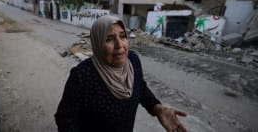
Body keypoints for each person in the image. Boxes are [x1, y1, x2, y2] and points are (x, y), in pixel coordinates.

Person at [55, 15, 187, 132]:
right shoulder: (82, 76)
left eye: (122, 36)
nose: (119, 45)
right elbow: (65, 118)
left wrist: (158, 109)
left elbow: (140, 87)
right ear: (97, 44)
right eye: (109, 39)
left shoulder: (133, 60)